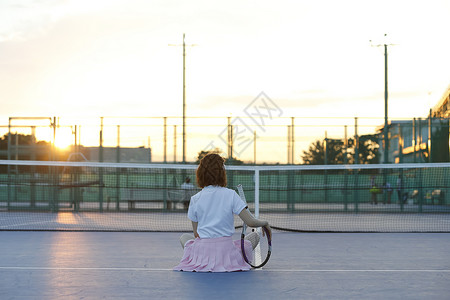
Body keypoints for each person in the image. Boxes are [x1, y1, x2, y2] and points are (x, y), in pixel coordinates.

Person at [173, 153, 272, 272]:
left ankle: (200, 258)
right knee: (254, 236)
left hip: (204, 252)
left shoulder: (195, 198)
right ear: (222, 173)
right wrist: (265, 223)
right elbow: (251, 222)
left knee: (184, 237)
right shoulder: (231, 194)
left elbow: (196, 234)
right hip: (227, 253)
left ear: (200, 174)